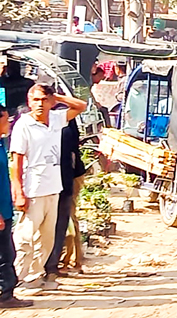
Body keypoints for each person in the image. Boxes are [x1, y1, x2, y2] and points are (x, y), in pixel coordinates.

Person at [10, 84, 86, 292]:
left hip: (53, 188)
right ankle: (19, 278)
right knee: (25, 238)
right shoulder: (23, 125)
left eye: (44, 100)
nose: (40, 104)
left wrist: (57, 97)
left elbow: (81, 106)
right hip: (33, 189)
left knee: (46, 239)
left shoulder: (56, 119)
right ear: (29, 102)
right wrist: (18, 191)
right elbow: (16, 162)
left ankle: (35, 277)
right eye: (36, 100)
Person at [44, 115, 86, 282]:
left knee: (67, 218)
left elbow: (71, 149)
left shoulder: (62, 118)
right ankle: (65, 259)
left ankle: (70, 259)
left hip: (69, 176)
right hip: (61, 177)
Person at [0, 108, 31, 308]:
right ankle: (5, 294)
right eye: (6, 119)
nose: (9, 122)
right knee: (4, 254)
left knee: (7, 252)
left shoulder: (2, 144)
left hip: (5, 207)